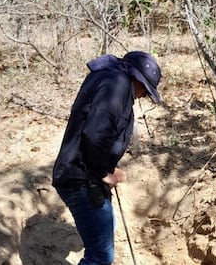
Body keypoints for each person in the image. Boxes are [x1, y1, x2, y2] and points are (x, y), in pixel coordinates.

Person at [52, 51, 162, 264]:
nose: (142, 96)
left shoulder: (111, 78)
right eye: (145, 91)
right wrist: (106, 173)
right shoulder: (117, 85)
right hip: (79, 176)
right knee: (101, 256)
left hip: (84, 172)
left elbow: (102, 130)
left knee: (106, 230)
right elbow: (96, 134)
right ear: (136, 79)